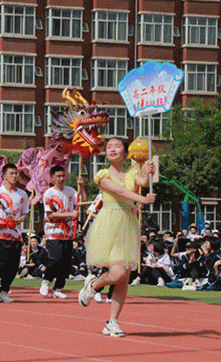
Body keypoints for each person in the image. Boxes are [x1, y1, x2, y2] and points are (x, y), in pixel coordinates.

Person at [77, 137, 156, 337]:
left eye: (117, 146)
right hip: (108, 225)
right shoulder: (102, 174)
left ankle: (112, 321)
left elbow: (143, 181)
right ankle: (93, 284)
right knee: (117, 273)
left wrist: (148, 171)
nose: (113, 149)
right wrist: (141, 199)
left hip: (127, 225)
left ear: (125, 152)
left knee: (123, 278)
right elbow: (119, 191)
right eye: (109, 146)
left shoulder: (132, 173)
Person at [0, 163, 29, 303]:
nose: (14, 176)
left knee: (13, 265)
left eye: (16, 173)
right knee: (1, 260)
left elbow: (25, 212)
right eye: (11, 173)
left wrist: (21, 219)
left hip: (15, 233)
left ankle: (3, 291)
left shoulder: (22, 194)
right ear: (4, 176)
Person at [40, 165, 84, 299]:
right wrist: (70, 214)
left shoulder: (71, 191)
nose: (61, 179)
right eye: (58, 176)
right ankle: (46, 281)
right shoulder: (49, 193)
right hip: (53, 232)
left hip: (68, 233)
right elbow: (51, 215)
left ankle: (58, 288)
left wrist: (81, 186)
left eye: (63, 176)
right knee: (55, 259)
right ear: (52, 178)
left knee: (65, 262)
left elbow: (81, 201)